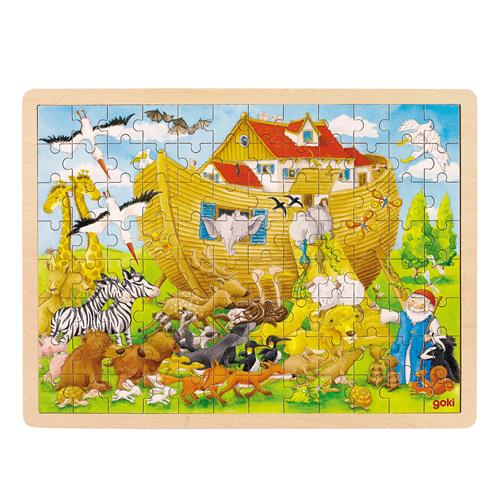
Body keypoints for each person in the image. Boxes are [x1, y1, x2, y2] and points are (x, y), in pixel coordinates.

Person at [373, 289, 442, 385]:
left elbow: (438, 336)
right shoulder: (405, 316)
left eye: (417, 302)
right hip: (401, 350)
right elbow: (393, 316)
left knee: (419, 369)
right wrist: (378, 310)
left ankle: (419, 382)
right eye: (412, 300)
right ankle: (397, 381)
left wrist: (430, 337)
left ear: (426, 306)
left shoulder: (431, 321)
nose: (412, 304)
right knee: (397, 368)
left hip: (419, 352)